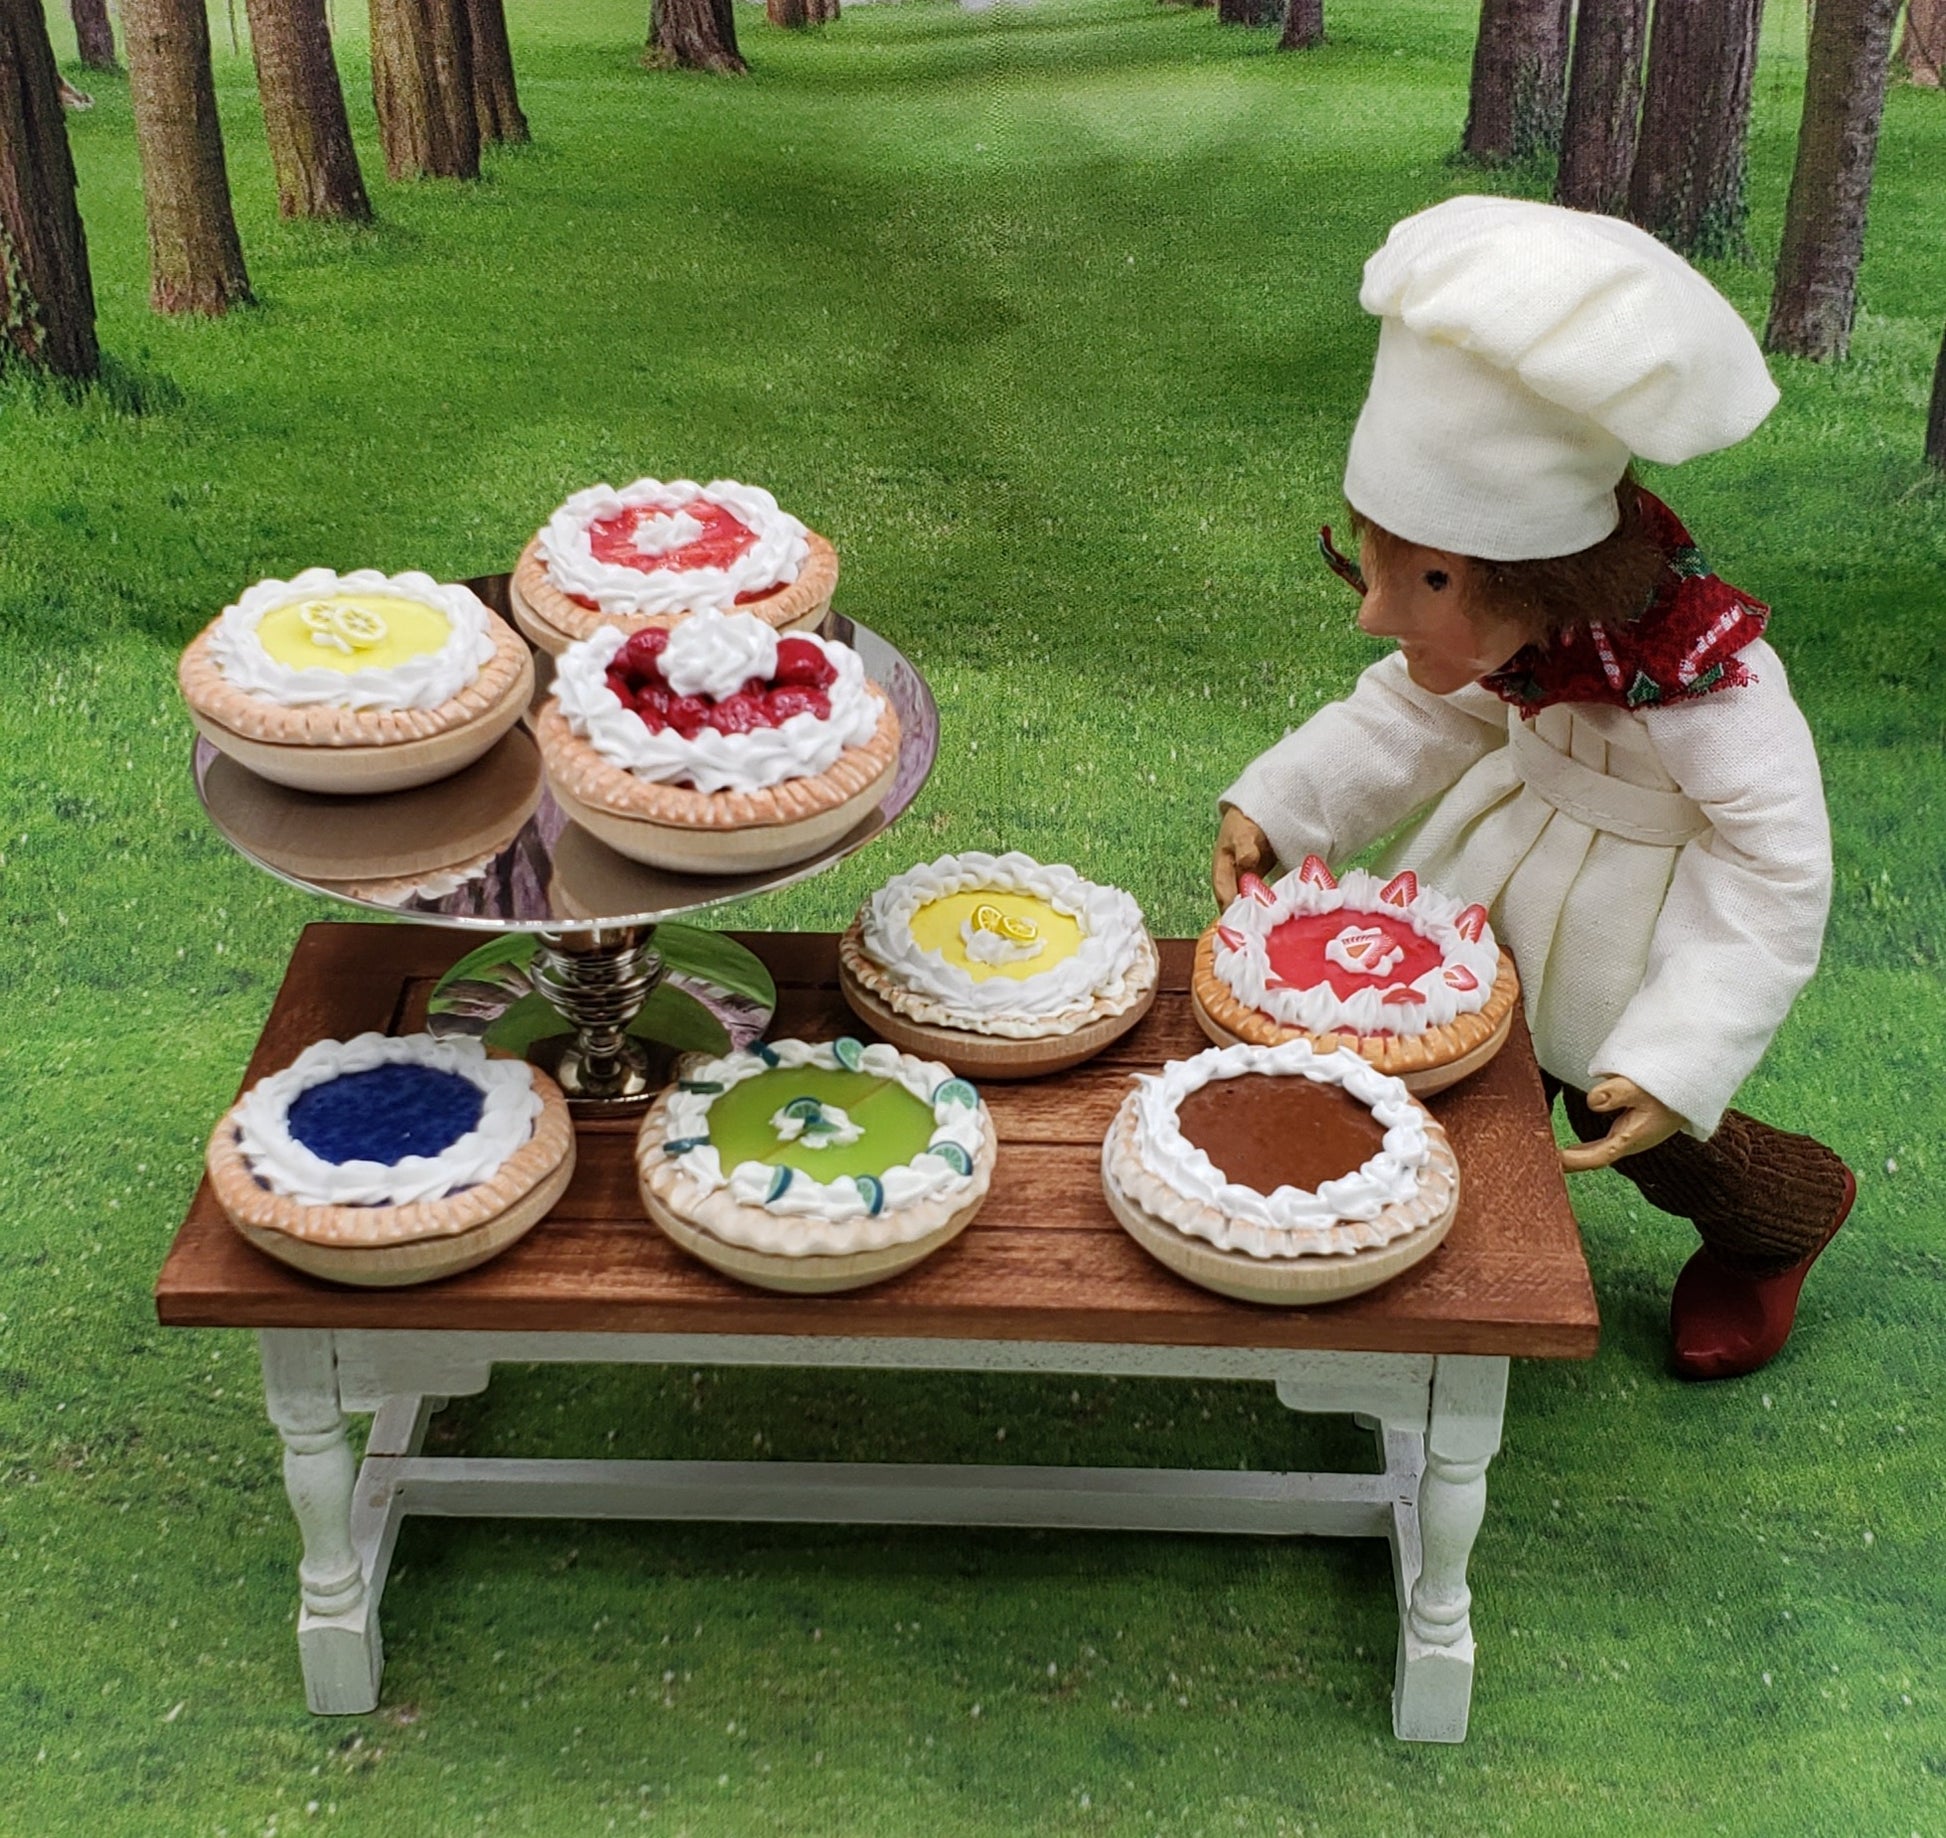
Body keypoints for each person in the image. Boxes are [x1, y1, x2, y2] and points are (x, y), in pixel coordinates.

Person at [1211, 196, 1853, 1381]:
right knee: (1432, 1056)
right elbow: (1412, 708)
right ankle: (1404, 1250)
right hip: (1488, 882)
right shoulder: (1517, 645)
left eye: (1431, 577)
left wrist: (1678, 1048)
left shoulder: (1706, 679)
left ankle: (1781, 1212)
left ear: (1535, 568)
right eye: (1375, 563)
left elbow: (1771, 865)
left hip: (1633, 923)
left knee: (1622, 1116)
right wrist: (1284, 802)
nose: (1375, 611)